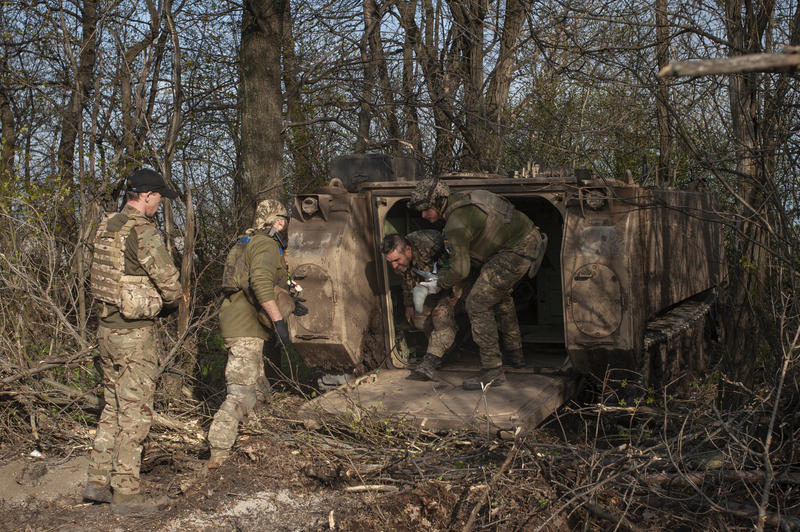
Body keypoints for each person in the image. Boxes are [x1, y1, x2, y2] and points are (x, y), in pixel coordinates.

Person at [84, 168, 182, 514]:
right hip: (133, 335)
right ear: (146, 196)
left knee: (112, 405)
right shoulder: (142, 230)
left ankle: (97, 481)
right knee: (136, 411)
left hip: (106, 329)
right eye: (158, 198)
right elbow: (169, 281)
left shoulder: (107, 225)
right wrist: (169, 302)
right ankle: (125, 493)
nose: (159, 205)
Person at [408, 177, 544, 390]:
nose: (423, 215)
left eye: (426, 209)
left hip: (517, 250)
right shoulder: (462, 201)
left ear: (439, 201)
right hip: (524, 241)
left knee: (477, 303)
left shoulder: (456, 224)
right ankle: (516, 357)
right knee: (499, 297)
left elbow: (460, 270)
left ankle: (493, 371)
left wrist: (436, 284)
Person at [206, 199, 305, 468]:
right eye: (283, 220)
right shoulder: (265, 244)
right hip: (246, 328)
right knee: (240, 393)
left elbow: (259, 277)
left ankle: (252, 445)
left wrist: (291, 293)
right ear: (278, 221)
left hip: (243, 323)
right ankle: (218, 452)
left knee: (260, 389)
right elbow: (261, 284)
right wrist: (280, 322)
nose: (285, 225)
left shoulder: (247, 242)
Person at [381, 231, 456, 381]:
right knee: (420, 318)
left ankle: (430, 361)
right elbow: (407, 280)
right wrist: (409, 304)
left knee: (440, 316)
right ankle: (446, 351)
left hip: (454, 285)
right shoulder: (402, 262)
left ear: (408, 250)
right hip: (431, 288)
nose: (394, 265)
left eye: (396, 260)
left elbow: (459, 266)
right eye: (390, 262)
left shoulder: (431, 244)